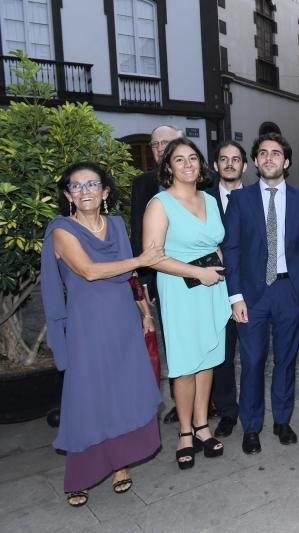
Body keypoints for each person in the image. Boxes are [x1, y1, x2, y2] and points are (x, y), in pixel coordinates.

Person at [41, 162, 164, 506]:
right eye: (76, 186)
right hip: (87, 325)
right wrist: (142, 259)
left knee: (121, 391)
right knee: (87, 397)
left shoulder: (117, 225)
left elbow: (130, 279)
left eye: (92, 184)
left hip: (123, 320)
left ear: (105, 192)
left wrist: (145, 313)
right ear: (67, 195)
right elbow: (90, 271)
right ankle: (79, 473)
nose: (84, 191)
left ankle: (119, 465)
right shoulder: (61, 231)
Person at [222, 133, 299, 454]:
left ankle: (282, 420)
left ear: (286, 161)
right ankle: (252, 426)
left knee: (287, 360)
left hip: (289, 291)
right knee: (252, 362)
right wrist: (234, 296)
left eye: (275, 153)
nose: (269, 158)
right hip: (251, 295)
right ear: (255, 161)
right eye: (262, 153)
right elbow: (231, 250)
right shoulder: (240, 200)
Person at [142, 138, 230, 469]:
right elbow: (152, 257)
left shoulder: (208, 198)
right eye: (180, 160)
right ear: (168, 167)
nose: (188, 164)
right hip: (180, 288)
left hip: (211, 288)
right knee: (183, 363)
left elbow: (216, 242)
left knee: (207, 358)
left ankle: (203, 426)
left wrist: (217, 268)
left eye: (193, 158)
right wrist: (198, 271)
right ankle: (184, 432)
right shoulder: (160, 203)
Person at [130, 124, 182, 424]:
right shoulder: (143, 183)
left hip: (199, 274)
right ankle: (180, 399)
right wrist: (144, 277)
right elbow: (139, 232)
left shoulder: (201, 180)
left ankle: (212, 398)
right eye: (154, 144)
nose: (160, 148)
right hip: (162, 277)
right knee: (173, 340)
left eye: (166, 142)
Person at [208, 140, 247, 438]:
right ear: (215, 165)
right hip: (215, 289)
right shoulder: (203, 200)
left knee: (254, 354)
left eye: (235, 159)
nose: (230, 164)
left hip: (253, 290)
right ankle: (227, 411)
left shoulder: (260, 197)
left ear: (245, 166)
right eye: (224, 159)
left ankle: (251, 408)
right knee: (222, 355)